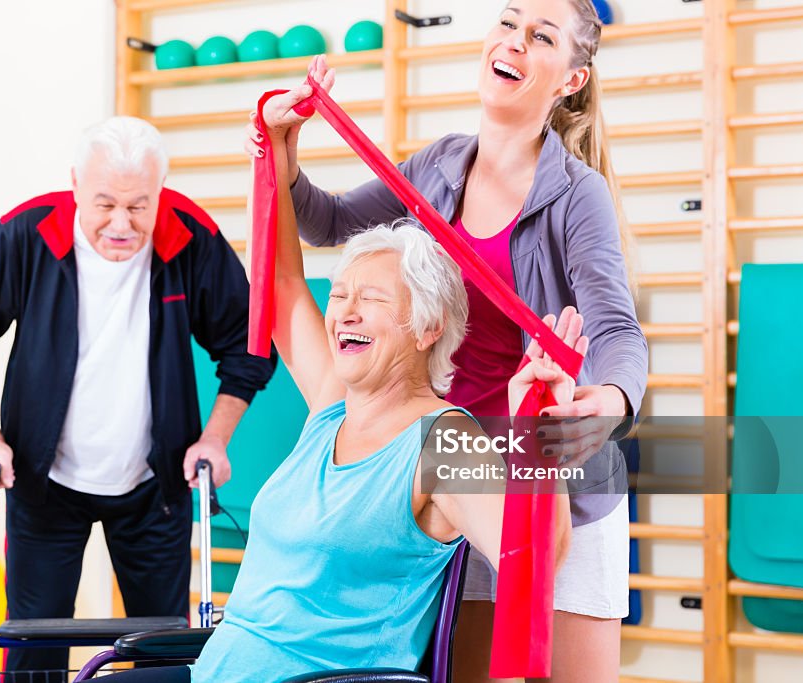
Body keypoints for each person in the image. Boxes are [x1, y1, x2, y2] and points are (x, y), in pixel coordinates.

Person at [245, 1, 648, 680]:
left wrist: (607, 401)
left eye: (541, 36)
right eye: (508, 22)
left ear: (570, 80)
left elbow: (614, 326)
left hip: (554, 480)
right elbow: (329, 221)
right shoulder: (438, 165)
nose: (514, 41)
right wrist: (283, 150)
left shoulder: (579, 196)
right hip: (461, 472)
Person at [100, 118, 583, 681]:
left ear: (429, 326)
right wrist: (277, 150)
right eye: (342, 295)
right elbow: (280, 285)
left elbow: (534, 561)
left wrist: (543, 432)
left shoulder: (444, 441)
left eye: (371, 298)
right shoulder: (333, 409)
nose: (345, 312)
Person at [0, 116, 276, 677]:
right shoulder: (27, 235)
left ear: (160, 192)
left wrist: (215, 439)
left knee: (165, 652)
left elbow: (250, 346)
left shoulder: (188, 235)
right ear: (75, 186)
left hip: (154, 486)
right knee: (33, 650)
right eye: (105, 203)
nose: (121, 224)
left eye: (139, 206)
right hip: (43, 484)